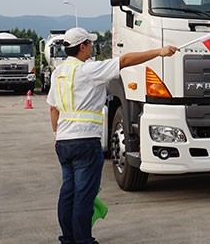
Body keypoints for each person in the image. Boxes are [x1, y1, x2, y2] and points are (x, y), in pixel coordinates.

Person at [47, 27, 177, 244]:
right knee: (84, 195)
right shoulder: (88, 70)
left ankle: (67, 238)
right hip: (85, 141)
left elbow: (53, 108)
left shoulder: (57, 73)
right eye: (90, 43)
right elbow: (124, 60)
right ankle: (84, 240)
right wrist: (160, 52)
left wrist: (56, 135)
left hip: (63, 141)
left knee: (67, 192)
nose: (91, 47)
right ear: (82, 47)